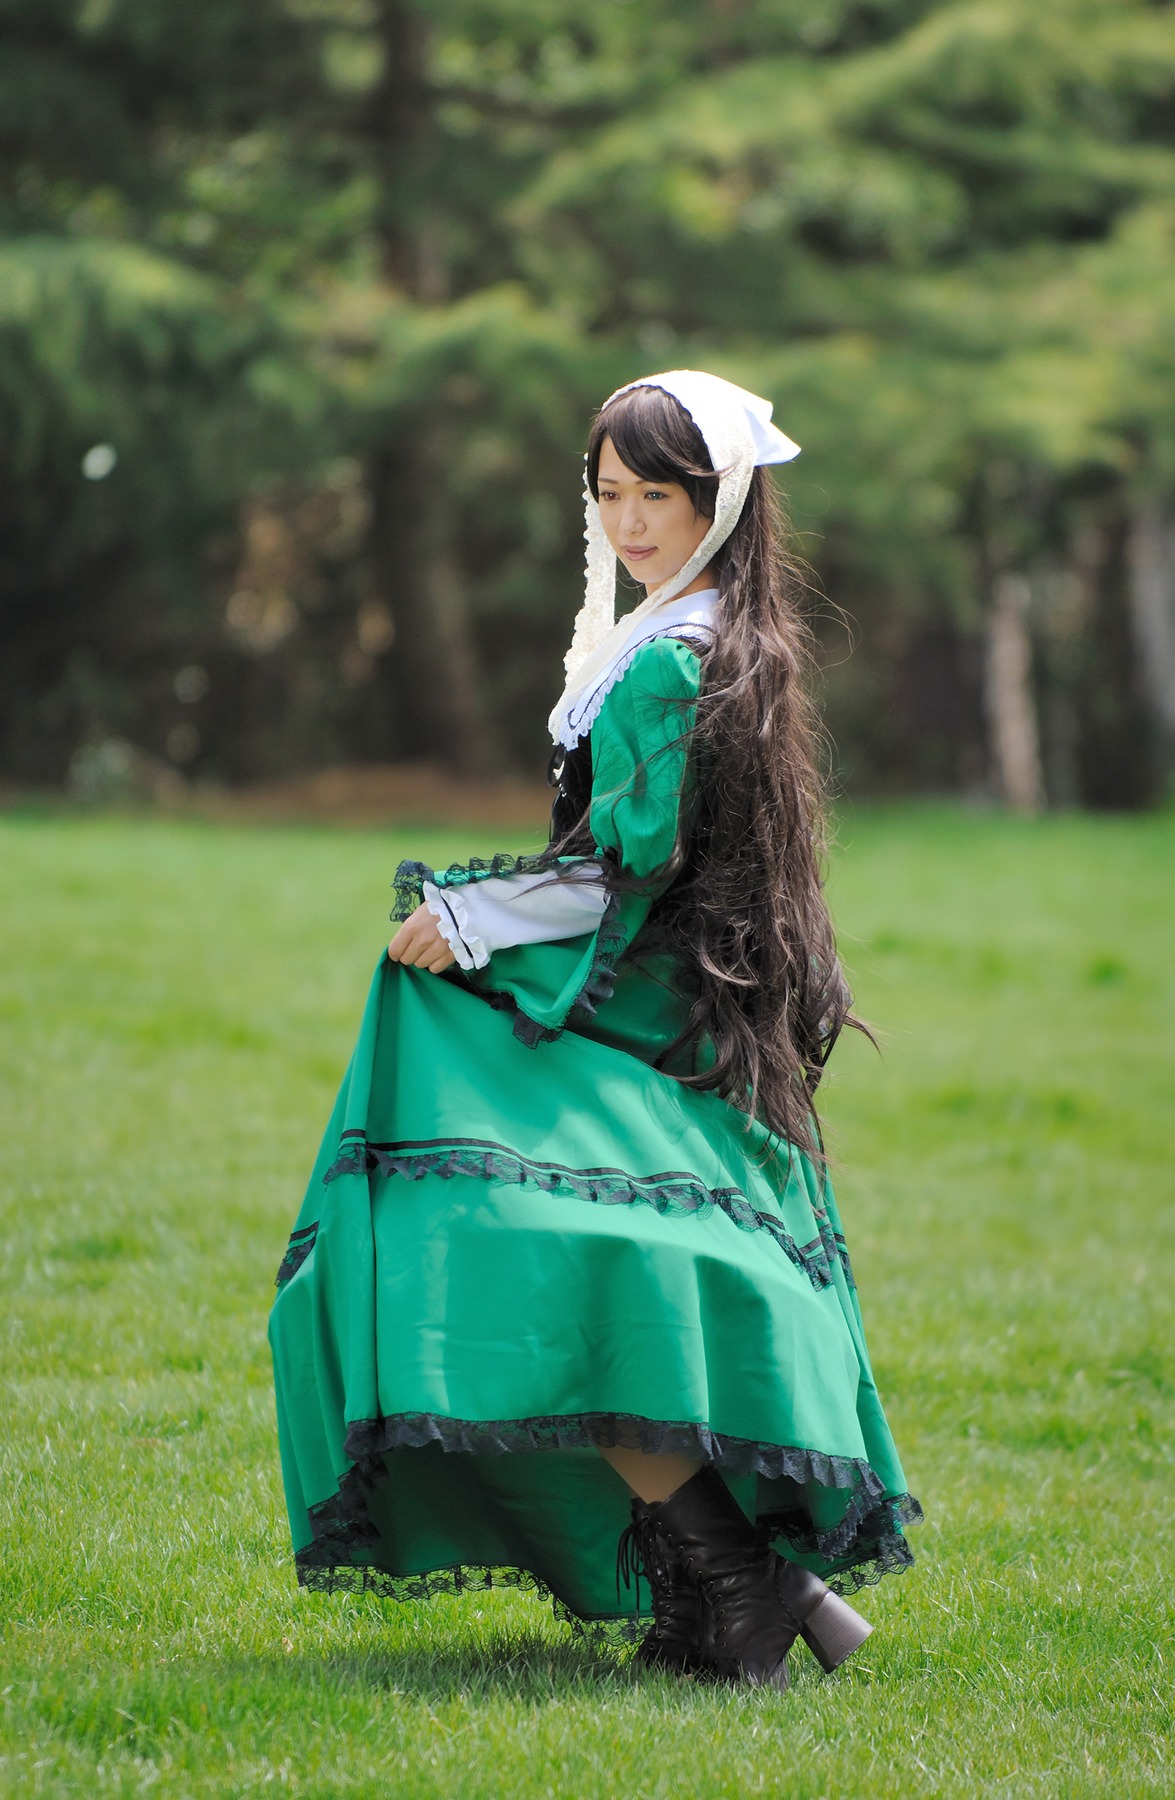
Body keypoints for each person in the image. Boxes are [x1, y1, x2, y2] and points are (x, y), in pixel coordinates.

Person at [269, 370, 920, 1689]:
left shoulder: (676, 657)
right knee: (544, 1253)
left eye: (657, 497)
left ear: (718, 503)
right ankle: (746, 1582)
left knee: (524, 1246)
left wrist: (472, 922)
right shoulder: (699, 630)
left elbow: (627, 864)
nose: (628, 522)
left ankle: (738, 1581)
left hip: (656, 1007)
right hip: (672, 992)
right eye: (609, 495)